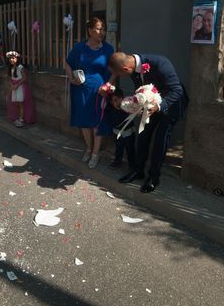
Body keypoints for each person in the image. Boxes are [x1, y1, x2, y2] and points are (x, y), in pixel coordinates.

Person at [108, 51, 188, 193]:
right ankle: (138, 170)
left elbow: (177, 90)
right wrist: (136, 104)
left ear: (126, 69)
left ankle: (154, 177)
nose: (122, 77)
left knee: (160, 140)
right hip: (150, 107)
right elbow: (141, 90)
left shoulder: (161, 63)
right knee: (143, 135)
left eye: (121, 74)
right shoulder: (133, 68)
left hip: (170, 105)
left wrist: (159, 106)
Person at [64, 17, 114, 169]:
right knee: (84, 121)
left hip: (99, 90)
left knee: (97, 122)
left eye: (103, 29)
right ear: (90, 30)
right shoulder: (79, 47)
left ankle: (95, 153)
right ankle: (88, 148)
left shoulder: (108, 49)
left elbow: (114, 70)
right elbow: (67, 63)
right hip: (80, 89)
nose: (102, 32)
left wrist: (109, 84)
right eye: (99, 29)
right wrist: (71, 77)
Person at [105, 88, 136, 170]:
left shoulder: (127, 106)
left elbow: (134, 110)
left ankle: (132, 165)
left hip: (128, 132)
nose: (115, 102)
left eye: (117, 100)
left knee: (130, 149)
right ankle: (117, 161)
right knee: (119, 148)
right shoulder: (110, 108)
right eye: (113, 101)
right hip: (117, 132)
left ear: (122, 97)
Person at [5, 51, 35, 128]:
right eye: (10, 58)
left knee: (20, 104)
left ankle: (21, 119)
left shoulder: (20, 67)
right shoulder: (11, 68)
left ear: (17, 59)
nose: (11, 60)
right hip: (14, 87)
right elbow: (9, 78)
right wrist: (12, 85)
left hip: (20, 87)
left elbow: (24, 77)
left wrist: (17, 85)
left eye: (13, 58)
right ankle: (19, 117)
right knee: (17, 104)